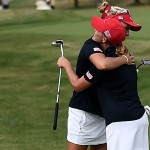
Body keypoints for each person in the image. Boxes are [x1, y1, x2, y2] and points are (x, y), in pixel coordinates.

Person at [57, 17, 149, 150]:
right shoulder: (127, 57)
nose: (95, 29)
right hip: (133, 117)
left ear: (105, 39)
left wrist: (66, 65)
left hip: (109, 119)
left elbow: (79, 84)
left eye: (100, 29)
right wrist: (124, 59)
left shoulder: (103, 65)